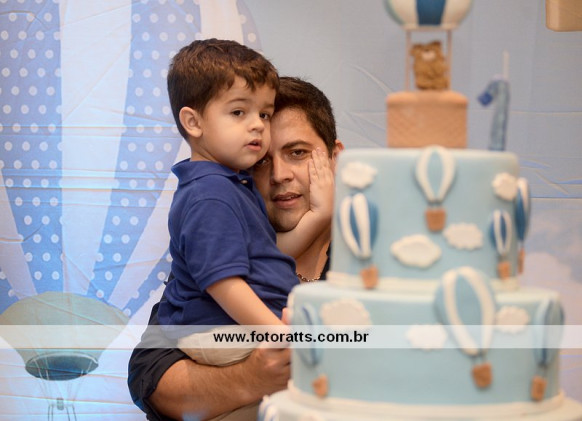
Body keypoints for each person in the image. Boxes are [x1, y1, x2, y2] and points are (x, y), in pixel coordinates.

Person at [128, 76, 344, 421]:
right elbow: (149, 376)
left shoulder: (373, 262)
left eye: (297, 153)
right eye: (261, 162)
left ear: (335, 158)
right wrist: (251, 377)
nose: (279, 174)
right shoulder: (217, 235)